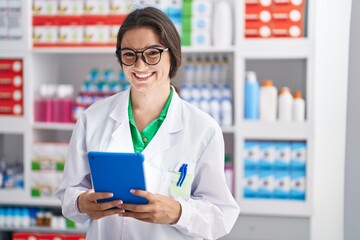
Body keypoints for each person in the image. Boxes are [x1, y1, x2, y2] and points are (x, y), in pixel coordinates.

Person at [56, 6, 240, 240]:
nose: (140, 66)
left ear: (172, 54)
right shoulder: (92, 119)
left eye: (152, 53)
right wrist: (82, 203)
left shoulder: (204, 129)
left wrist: (177, 212)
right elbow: (67, 194)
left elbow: (221, 215)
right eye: (129, 54)